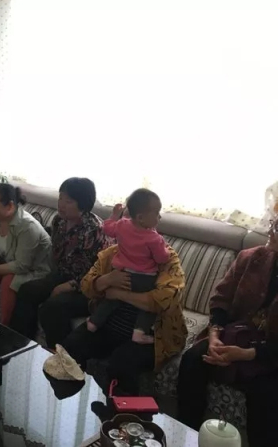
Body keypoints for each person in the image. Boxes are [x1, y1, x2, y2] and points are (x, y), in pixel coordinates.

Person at [177, 219, 278, 447]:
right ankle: (187, 436)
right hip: (235, 333)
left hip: (271, 351)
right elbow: (220, 300)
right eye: (274, 223)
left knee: (267, 395)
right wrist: (214, 337)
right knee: (193, 359)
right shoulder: (252, 257)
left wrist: (246, 354)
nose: (270, 230)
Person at [59, 244, 186, 395]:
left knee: (121, 364)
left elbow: (165, 300)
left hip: (152, 335)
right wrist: (108, 279)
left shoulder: (165, 258)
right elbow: (86, 286)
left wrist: (118, 294)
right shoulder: (113, 252)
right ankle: (72, 400)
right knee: (71, 346)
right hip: (108, 325)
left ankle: (121, 410)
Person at [9, 177, 112, 346]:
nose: (61, 204)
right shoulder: (59, 221)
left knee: (52, 308)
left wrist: (65, 287)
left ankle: (61, 357)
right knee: (28, 290)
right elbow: (58, 259)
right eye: (60, 198)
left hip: (90, 287)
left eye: (68, 201)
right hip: (63, 275)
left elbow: (92, 274)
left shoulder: (93, 230)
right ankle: (19, 344)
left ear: (83, 204)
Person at [88, 189, 169, 344]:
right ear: (140, 218)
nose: (160, 216)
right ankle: (139, 332)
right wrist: (165, 248)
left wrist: (114, 215)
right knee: (148, 307)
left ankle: (93, 322)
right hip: (144, 279)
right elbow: (162, 258)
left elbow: (107, 228)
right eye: (156, 213)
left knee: (111, 299)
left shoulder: (122, 225)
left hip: (121, 273)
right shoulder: (154, 239)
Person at [0, 184, 51, 325]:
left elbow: (21, 266)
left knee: (9, 281)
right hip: (10, 263)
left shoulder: (27, 227)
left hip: (35, 270)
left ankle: (5, 328)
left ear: (10, 206)